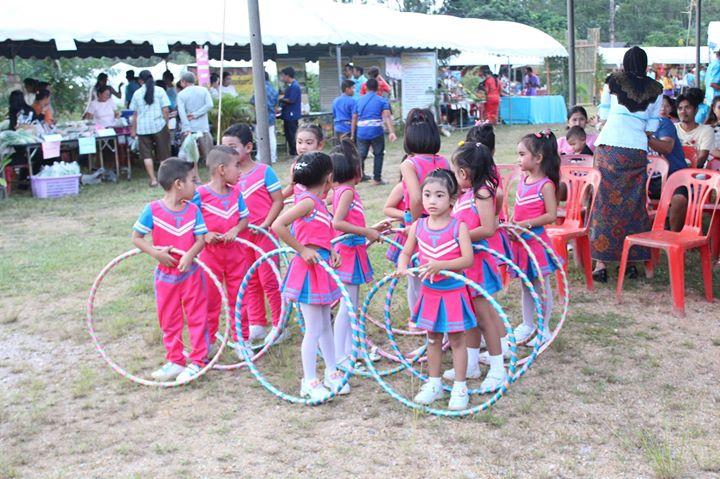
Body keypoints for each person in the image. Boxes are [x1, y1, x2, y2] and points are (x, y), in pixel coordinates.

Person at [395, 169, 475, 410]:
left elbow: (468, 259)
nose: (432, 200)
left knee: (457, 339)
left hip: (453, 292)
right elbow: (406, 252)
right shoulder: (418, 226)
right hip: (430, 293)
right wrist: (402, 265)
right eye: (427, 195)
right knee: (432, 338)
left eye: (439, 195)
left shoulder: (458, 227)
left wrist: (442, 265)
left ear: (452, 199)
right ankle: (434, 383)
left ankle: (460, 387)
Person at [272, 152, 347, 401]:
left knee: (325, 325)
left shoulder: (317, 202)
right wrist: (302, 250)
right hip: (307, 272)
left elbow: (319, 234)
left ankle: (332, 372)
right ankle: (309, 381)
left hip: (321, 268)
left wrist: (331, 250)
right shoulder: (307, 202)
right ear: (329, 178)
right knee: (314, 328)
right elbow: (278, 225)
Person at [131, 158, 209, 383]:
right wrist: (155, 253)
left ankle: (199, 361)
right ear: (178, 184)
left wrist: (190, 255)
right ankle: (175, 360)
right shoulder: (153, 210)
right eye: (193, 180)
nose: (196, 185)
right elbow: (137, 238)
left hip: (191, 274)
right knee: (169, 319)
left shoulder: (193, 210)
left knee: (197, 316)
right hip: (166, 277)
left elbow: (201, 239)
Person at [590, 46, 663, 282]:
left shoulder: (612, 81)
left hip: (610, 147)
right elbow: (652, 126)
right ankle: (631, 261)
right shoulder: (656, 89)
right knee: (633, 205)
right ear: (645, 64)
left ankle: (601, 264)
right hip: (636, 151)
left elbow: (603, 114)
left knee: (604, 203)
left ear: (624, 63)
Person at [443, 142, 506, 390]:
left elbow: (489, 228)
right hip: (465, 265)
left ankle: (498, 369)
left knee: (484, 319)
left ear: (463, 172)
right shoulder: (465, 195)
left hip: (478, 265)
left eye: (455, 171)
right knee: (469, 316)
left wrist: (459, 236)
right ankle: (471, 365)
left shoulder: (482, 193)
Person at [221, 124, 284, 344]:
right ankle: (257, 322)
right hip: (242, 237)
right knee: (249, 280)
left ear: (248, 147)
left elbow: (278, 200)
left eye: (232, 146)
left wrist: (266, 224)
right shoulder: (229, 178)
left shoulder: (264, 171)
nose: (226, 152)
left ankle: (279, 324)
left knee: (269, 279)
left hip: (264, 234)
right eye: (223, 147)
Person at [330, 139, 389, 368]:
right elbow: (338, 223)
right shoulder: (346, 192)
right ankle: (340, 356)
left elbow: (350, 223)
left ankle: (352, 350)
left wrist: (373, 229)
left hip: (352, 251)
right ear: (356, 170)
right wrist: (367, 232)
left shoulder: (345, 191)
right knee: (347, 307)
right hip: (348, 254)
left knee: (351, 306)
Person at [191, 146, 249, 351]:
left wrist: (236, 229)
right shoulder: (200, 194)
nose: (240, 171)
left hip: (236, 254)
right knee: (210, 299)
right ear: (222, 169)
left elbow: (244, 218)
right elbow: (191, 220)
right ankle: (208, 342)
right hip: (209, 256)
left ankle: (242, 339)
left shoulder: (236, 193)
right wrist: (205, 235)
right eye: (236, 166)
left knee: (239, 297)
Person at [511, 131, 561, 345]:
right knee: (526, 285)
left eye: (522, 154)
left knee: (541, 286)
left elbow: (551, 215)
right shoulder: (524, 180)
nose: (518, 159)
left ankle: (544, 329)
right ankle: (527, 324)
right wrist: (513, 223)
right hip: (521, 243)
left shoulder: (546, 185)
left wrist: (526, 224)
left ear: (538, 158)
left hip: (536, 243)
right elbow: (519, 209)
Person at [648, 95, 688, 232]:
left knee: (679, 199)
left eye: (666, 105)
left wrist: (644, 136)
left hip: (674, 176)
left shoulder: (664, 123)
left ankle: (673, 236)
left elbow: (666, 147)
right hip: (649, 179)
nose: (662, 108)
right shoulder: (637, 124)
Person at [130, 70, 172, 187]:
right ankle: (163, 179)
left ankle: (153, 180)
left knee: (147, 155)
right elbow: (166, 110)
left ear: (140, 81)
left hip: (143, 128)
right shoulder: (160, 90)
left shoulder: (136, 94)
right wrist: (166, 123)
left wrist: (133, 129)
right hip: (159, 125)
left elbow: (135, 114)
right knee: (163, 154)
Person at [351, 78, 397, 185]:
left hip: (362, 132)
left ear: (366, 88)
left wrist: (353, 134)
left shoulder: (358, 101)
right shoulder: (382, 100)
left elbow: (354, 118)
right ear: (377, 88)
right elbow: (387, 116)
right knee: (378, 154)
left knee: (361, 155)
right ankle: (377, 179)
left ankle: (358, 176)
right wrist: (392, 132)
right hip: (376, 131)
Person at [176, 72, 215, 172]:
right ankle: (212, 172)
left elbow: (182, 113)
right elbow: (210, 105)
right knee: (207, 154)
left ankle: (193, 174)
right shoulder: (203, 90)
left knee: (190, 155)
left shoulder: (181, 94)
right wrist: (196, 114)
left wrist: (186, 127)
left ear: (183, 82)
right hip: (203, 127)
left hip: (189, 128)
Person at [280, 123, 325, 199]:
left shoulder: (325, 166)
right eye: (299, 142)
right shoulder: (295, 166)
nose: (303, 147)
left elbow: (338, 189)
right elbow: (293, 186)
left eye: (308, 143)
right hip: (300, 205)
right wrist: (276, 200)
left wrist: (326, 201)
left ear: (320, 145)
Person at [675, 88, 714, 169]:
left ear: (696, 110)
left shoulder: (706, 130)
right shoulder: (672, 128)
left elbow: (702, 158)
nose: (683, 111)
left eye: (687, 108)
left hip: (696, 172)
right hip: (674, 171)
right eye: (680, 108)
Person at [250, 71, 279, 164]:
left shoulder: (258, 89)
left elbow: (252, 101)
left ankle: (260, 156)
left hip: (260, 117)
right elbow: (276, 105)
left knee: (260, 138)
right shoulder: (273, 90)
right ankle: (273, 157)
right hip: (271, 116)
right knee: (272, 138)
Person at [279, 67, 302, 157]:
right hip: (287, 115)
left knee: (292, 134)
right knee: (288, 134)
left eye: (283, 76)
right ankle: (292, 151)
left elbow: (291, 100)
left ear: (288, 76)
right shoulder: (290, 86)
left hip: (291, 115)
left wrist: (281, 99)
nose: (282, 78)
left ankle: (295, 152)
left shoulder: (294, 86)